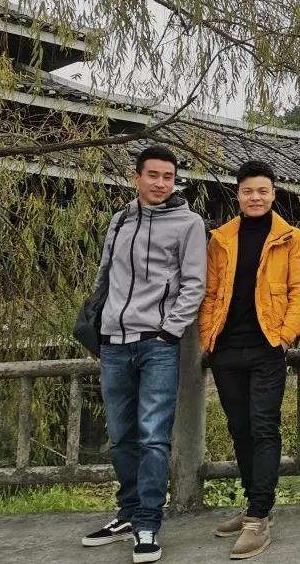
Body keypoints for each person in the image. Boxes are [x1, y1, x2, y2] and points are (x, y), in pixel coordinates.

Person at [81, 145, 207, 564]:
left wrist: (169, 331)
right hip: (114, 342)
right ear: (136, 177)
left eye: (168, 177)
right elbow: (105, 275)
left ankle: (148, 522)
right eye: (153, 175)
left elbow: (194, 283)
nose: (161, 183)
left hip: (157, 344)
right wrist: (100, 326)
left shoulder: (189, 224)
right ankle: (128, 513)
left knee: (153, 436)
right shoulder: (120, 220)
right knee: (121, 436)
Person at [198, 161, 300, 559]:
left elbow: (299, 291)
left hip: (267, 347)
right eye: (248, 191)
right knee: (240, 428)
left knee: (263, 426)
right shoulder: (221, 238)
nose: (255, 197)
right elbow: (210, 292)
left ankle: (259, 516)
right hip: (226, 347)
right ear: (238, 194)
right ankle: (252, 504)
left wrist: (284, 336)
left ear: (273, 194)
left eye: (263, 191)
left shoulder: (291, 238)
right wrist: (207, 335)